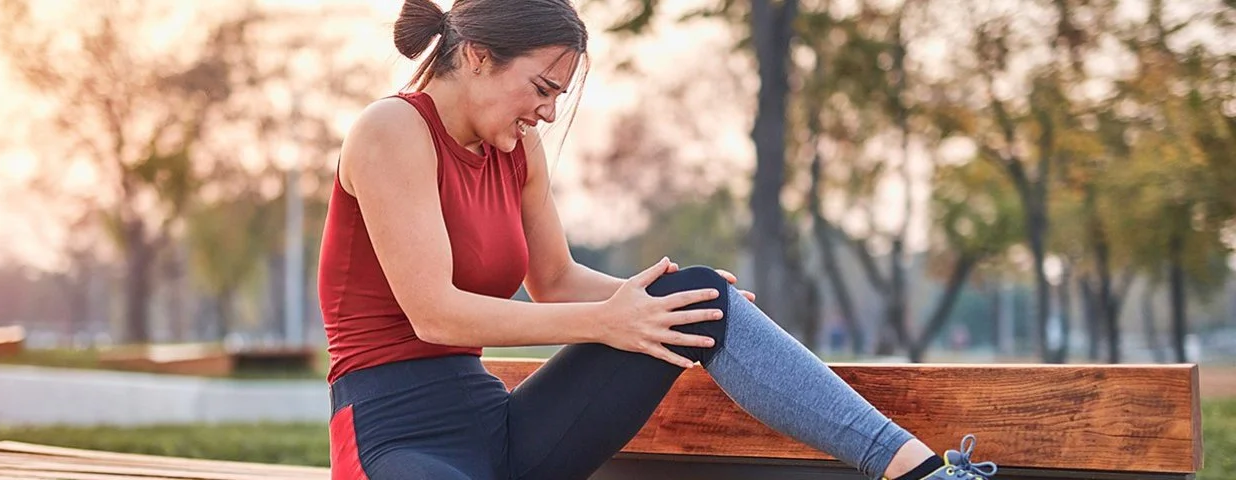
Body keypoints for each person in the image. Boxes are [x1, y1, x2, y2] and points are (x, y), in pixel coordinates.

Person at [317, 0, 999, 479]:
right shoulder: (392, 130)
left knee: (698, 295)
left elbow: (554, 281)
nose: (548, 113)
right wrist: (610, 320)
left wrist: (666, 301)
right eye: (542, 88)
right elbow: (435, 315)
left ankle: (923, 473)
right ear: (476, 56)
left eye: (557, 97)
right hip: (393, 436)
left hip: (497, 427)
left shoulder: (517, 152)